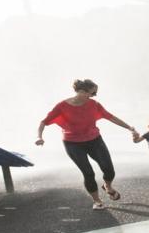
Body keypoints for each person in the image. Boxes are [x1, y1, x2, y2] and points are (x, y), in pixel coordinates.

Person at [36, 79, 140, 210]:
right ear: (81, 91)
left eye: (95, 93)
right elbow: (43, 122)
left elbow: (111, 117)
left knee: (108, 169)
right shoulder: (62, 106)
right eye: (92, 93)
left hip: (94, 140)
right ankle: (97, 201)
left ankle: (107, 186)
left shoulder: (94, 104)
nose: (94, 96)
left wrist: (129, 128)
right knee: (88, 173)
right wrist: (39, 137)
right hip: (73, 144)